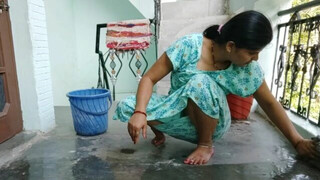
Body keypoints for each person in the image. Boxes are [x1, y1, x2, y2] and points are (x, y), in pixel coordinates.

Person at [113, 10, 318, 165]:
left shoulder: (248, 70)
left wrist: (297, 141)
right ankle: (159, 131)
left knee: (199, 82)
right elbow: (149, 78)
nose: (256, 58)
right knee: (128, 106)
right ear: (230, 46)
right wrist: (141, 112)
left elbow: (270, 104)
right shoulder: (189, 46)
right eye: (252, 52)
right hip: (178, 114)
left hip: (214, 124)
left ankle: (205, 145)